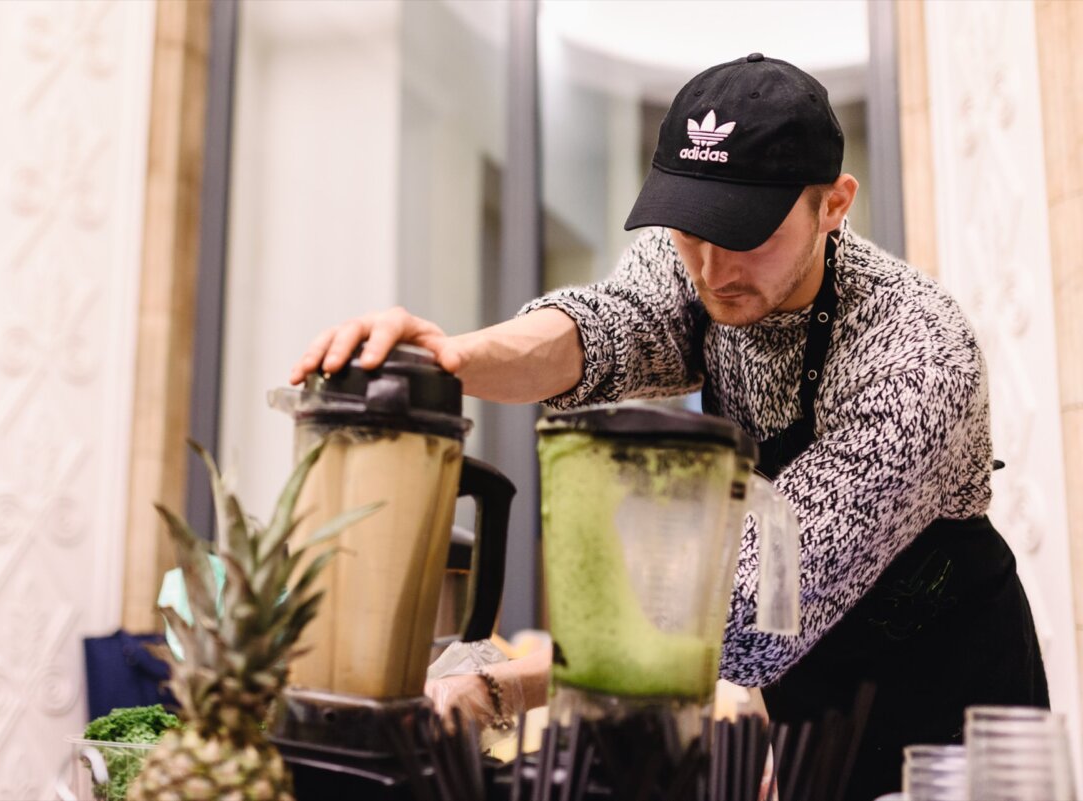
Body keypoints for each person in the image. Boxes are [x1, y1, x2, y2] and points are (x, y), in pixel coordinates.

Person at [290, 54, 1048, 800]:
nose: (713, 267)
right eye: (693, 229)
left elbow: (750, 610)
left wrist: (502, 686)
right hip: (808, 709)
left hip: (954, 714)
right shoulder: (691, 263)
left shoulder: (914, 353)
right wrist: (449, 360)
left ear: (834, 204)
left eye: (746, 232)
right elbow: (607, 330)